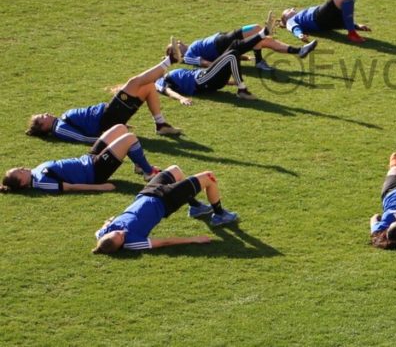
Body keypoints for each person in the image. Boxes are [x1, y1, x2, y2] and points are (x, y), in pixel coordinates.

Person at [26, 46, 185, 141]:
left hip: (109, 114)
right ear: (43, 126)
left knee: (148, 86)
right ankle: (170, 60)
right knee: (134, 82)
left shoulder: (60, 122)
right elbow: (83, 138)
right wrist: (111, 135)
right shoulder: (59, 129)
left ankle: (161, 125)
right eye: (42, 117)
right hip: (107, 119)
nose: (46, 113)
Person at [92, 166, 238, 254]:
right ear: (121, 245)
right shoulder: (133, 243)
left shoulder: (103, 235)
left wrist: (108, 223)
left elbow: (100, 231)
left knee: (175, 170)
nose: (121, 232)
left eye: (116, 232)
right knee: (209, 177)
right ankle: (219, 215)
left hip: (146, 193)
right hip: (165, 200)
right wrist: (194, 239)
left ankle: (196, 207)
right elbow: (164, 242)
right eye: (121, 237)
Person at [2, 124, 160, 194]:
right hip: (95, 171)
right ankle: (148, 172)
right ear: (22, 183)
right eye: (20, 172)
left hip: (89, 159)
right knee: (129, 139)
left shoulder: (35, 173)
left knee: (120, 128)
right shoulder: (42, 182)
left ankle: (139, 165)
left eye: (19, 168)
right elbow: (70, 187)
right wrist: (101, 188)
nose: (22, 168)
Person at [157, 27, 274, 102]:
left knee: (235, 46)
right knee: (232, 54)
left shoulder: (179, 64)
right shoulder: (159, 80)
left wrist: (229, 82)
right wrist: (181, 98)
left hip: (208, 77)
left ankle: (263, 33)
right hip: (201, 80)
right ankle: (242, 90)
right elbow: (167, 91)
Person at [174, 13, 317, 73]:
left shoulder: (191, 50)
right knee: (256, 29)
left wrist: (245, 58)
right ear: (177, 52)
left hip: (223, 41)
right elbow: (206, 63)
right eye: (175, 45)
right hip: (220, 44)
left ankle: (300, 51)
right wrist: (222, 68)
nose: (179, 42)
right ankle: (260, 60)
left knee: (266, 41)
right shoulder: (188, 56)